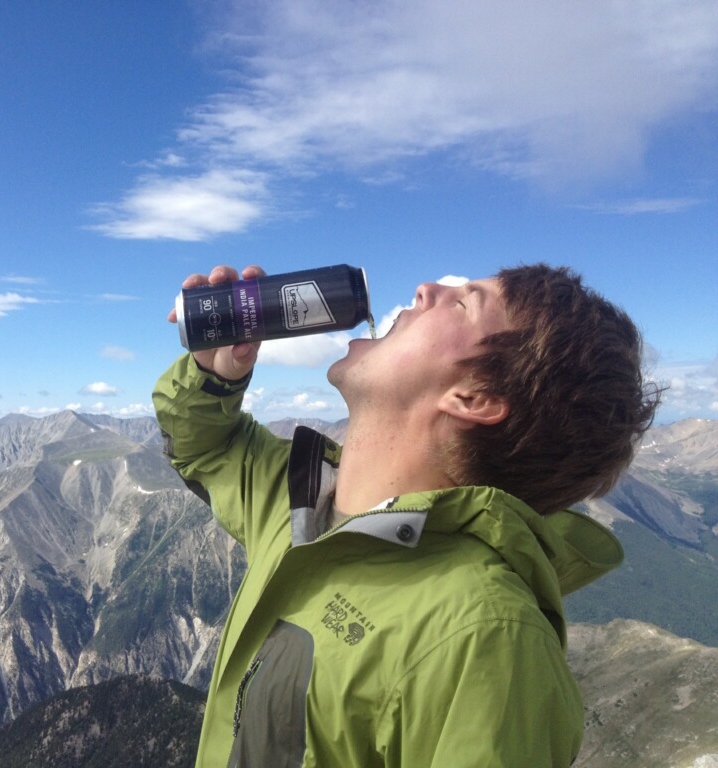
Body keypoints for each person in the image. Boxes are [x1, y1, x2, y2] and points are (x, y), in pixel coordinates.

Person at [153, 263, 661, 768]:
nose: (427, 289)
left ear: (473, 398)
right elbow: (206, 451)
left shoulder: (488, 641)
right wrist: (215, 376)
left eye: (463, 302)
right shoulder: (305, 501)